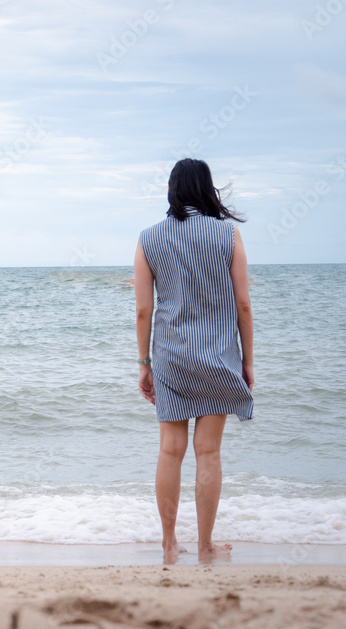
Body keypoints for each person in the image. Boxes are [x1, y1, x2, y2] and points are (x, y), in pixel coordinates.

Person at [133, 158, 254, 563]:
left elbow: (143, 312)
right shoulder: (227, 235)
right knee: (209, 453)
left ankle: (168, 545)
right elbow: (242, 304)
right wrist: (248, 361)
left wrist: (144, 362)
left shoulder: (149, 238)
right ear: (207, 189)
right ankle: (205, 547)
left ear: (172, 190)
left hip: (171, 357)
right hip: (219, 357)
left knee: (170, 450)